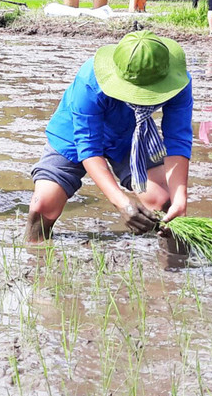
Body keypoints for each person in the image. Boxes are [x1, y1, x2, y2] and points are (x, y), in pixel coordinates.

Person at [24, 31, 193, 242]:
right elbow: (88, 147)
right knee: (42, 206)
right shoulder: (90, 81)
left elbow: (177, 139)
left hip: (132, 137)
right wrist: (122, 203)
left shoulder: (179, 82)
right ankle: (34, 257)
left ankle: (173, 268)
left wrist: (180, 199)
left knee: (162, 202)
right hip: (73, 135)